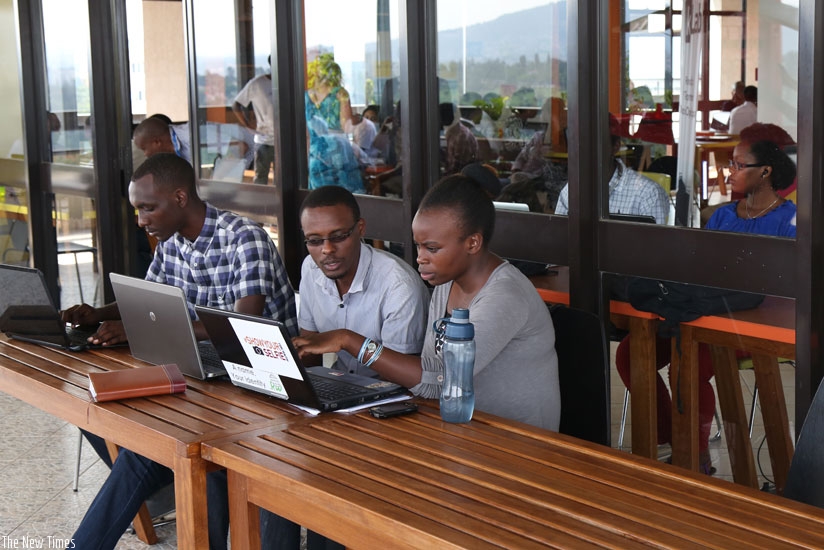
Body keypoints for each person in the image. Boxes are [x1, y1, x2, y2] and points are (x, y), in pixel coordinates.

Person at [63, 153, 298, 550]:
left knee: (162, 453)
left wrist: (142, 328)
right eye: (138, 209)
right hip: (206, 383)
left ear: (181, 197)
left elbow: (243, 328)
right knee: (126, 431)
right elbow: (148, 300)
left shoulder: (244, 238)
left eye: (148, 208)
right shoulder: (172, 246)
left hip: (263, 387)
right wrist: (97, 314)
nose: (141, 220)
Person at [294, 173, 561, 431]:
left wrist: (348, 340)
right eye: (419, 246)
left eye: (432, 248)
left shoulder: (505, 296)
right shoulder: (445, 284)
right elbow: (431, 373)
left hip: (516, 442)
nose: (420, 258)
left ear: (472, 243)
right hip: (460, 428)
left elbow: (439, 382)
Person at [260, 184, 431, 550]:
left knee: (332, 482)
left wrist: (346, 339)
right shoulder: (311, 268)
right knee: (274, 466)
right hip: (342, 396)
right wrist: (268, 361)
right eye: (314, 240)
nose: (326, 251)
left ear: (361, 229)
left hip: (393, 411)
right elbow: (309, 343)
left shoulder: (398, 285)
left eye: (338, 237)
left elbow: (406, 379)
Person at [615, 132, 797, 475]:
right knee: (630, 353)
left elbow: (789, 289)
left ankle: (694, 456)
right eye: (731, 164)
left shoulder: (790, 221)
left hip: (752, 324)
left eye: (739, 165)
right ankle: (675, 436)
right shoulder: (723, 216)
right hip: (704, 314)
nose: (730, 171)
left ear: (766, 172)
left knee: (691, 360)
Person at [555, 115, 670, 225]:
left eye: (596, 143)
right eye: (581, 143)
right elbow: (559, 238)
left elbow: (657, 244)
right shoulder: (573, 190)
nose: (586, 150)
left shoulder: (648, 194)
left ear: (615, 146)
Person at [305, 53, 364, 192]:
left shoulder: (306, 96)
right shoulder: (340, 93)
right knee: (345, 194)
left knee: (319, 196)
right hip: (337, 150)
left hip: (315, 152)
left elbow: (306, 134)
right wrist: (357, 119)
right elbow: (346, 126)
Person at [233, 55, 276, 184]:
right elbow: (236, 104)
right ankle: (262, 203)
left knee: (282, 179)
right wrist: (247, 124)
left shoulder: (286, 83)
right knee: (261, 177)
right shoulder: (257, 83)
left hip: (284, 141)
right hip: (264, 139)